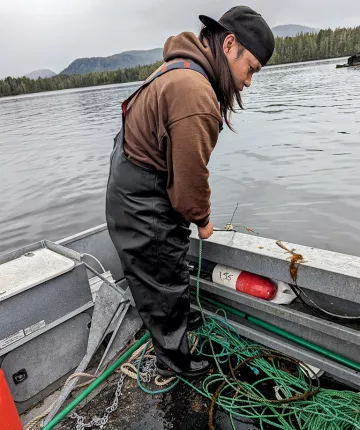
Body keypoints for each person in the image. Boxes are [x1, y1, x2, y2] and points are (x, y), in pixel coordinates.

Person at [106, 6, 275, 378]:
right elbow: (189, 183)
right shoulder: (194, 92)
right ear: (230, 44)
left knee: (168, 262)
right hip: (140, 198)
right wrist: (203, 220)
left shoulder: (183, 69)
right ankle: (174, 358)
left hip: (137, 183)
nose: (248, 82)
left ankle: (178, 319)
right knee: (162, 271)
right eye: (251, 69)